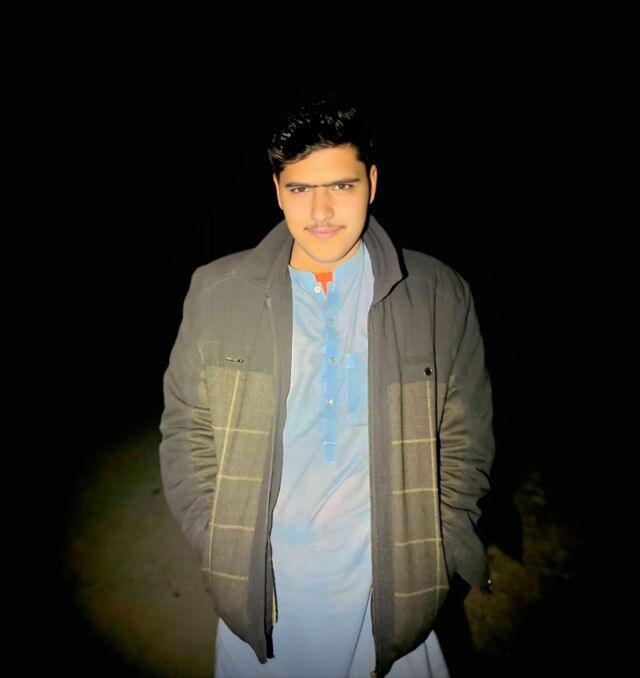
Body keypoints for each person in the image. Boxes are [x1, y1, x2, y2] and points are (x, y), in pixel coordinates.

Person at [159, 90, 495, 678]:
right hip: (260, 590)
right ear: (277, 191)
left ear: (372, 182)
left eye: (340, 185)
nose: (320, 212)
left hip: (391, 591)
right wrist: (221, 544)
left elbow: (465, 443)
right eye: (299, 189)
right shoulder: (218, 293)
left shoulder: (437, 296)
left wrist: (433, 552)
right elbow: (188, 431)